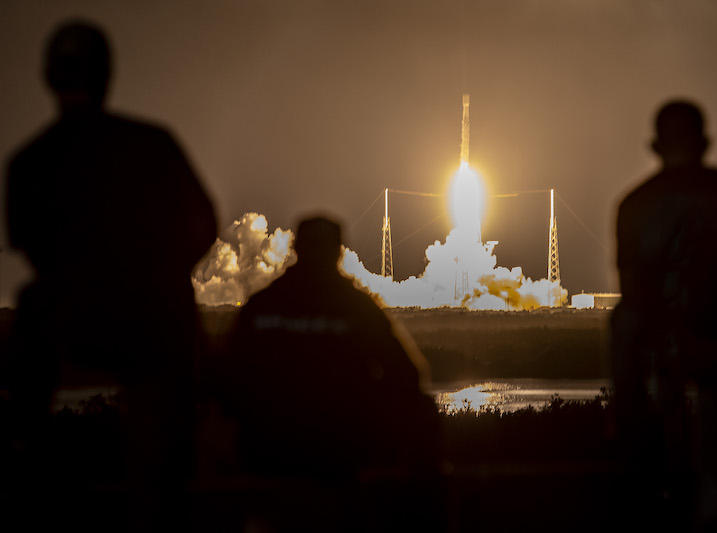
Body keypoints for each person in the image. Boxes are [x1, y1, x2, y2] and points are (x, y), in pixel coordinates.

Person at [3, 20, 217, 531]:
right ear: (108, 76)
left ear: (48, 78)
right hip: (152, 321)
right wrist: (159, 278)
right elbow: (202, 225)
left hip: (72, 317)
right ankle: (169, 470)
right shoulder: (153, 144)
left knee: (29, 305)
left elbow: (34, 250)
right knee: (176, 338)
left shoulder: (29, 162)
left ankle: (30, 455)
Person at [611, 99, 717, 531]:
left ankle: (637, 455)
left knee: (659, 465)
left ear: (654, 145)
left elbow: (631, 294)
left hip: (661, 351)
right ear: (706, 142)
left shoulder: (634, 203)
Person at [220, 215, 442, 530]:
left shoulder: (261, 305)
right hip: (340, 454)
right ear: (338, 252)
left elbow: (226, 379)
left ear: (296, 249)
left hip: (267, 452)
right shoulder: (356, 307)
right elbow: (408, 375)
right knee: (424, 409)